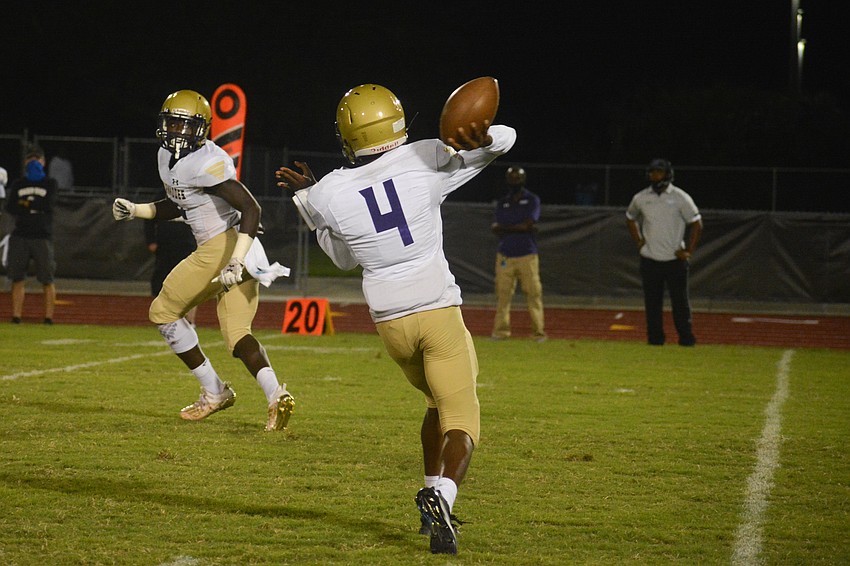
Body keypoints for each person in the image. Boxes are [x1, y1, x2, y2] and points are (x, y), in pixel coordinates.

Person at [276, 83, 516, 555]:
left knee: (434, 404)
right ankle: (442, 497)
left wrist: (307, 201)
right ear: (397, 122)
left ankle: (429, 503)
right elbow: (505, 139)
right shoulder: (425, 157)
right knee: (462, 418)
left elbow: (343, 258)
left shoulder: (329, 191)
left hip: (391, 325)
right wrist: (483, 138)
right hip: (436, 310)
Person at [112, 89, 294, 431]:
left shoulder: (207, 161)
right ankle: (276, 395)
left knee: (162, 311)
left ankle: (214, 392)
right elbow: (178, 204)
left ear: (202, 129)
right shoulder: (166, 157)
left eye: (185, 125)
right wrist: (137, 210)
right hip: (242, 250)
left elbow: (251, 208)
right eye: (173, 123)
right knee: (238, 334)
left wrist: (234, 260)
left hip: (224, 247)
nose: (177, 131)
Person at [626, 158, 703, 346]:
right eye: (652, 172)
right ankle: (655, 339)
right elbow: (630, 217)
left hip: (674, 259)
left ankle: (686, 338)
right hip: (650, 259)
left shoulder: (680, 197)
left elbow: (696, 223)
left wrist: (689, 251)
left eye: (659, 172)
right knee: (652, 303)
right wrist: (639, 242)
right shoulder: (641, 197)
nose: (655, 176)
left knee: (680, 303)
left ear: (668, 174)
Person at [490, 166, 546, 342]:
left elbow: (527, 224)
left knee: (533, 294)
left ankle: (538, 332)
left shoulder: (532, 200)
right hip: (505, 255)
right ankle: (500, 332)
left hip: (527, 255)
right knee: (502, 295)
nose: (514, 181)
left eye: (517, 178)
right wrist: (520, 227)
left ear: (523, 180)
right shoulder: (503, 202)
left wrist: (507, 228)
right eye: (511, 178)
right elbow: (498, 227)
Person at [4, 145, 58, 324]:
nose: (33, 162)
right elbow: (11, 207)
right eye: (30, 159)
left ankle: (48, 317)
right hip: (21, 234)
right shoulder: (19, 183)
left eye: (37, 159)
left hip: (42, 235)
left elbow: (47, 205)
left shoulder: (50, 183)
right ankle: (16, 315)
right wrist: (32, 205)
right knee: (17, 277)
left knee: (47, 278)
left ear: (43, 162)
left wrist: (25, 203)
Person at [144, 189, 198, 326]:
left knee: (190, 283)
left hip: (188, 246)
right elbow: (148, 217)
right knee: (161, 281)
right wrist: (151, 241)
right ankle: (164, 317)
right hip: (165, 247)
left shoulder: (193, 195)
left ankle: (189, 320)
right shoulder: (161, 196)